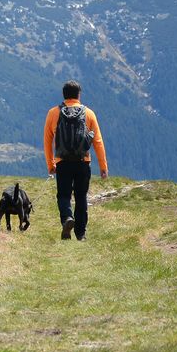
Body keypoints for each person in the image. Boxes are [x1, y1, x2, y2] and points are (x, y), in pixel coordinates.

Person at [43, 80, 108, 241]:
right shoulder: (89, 113)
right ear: (79, 95)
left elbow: (47, 141)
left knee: (63, 195)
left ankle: (67, 218)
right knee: (81, 197)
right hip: (83, 161)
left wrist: (51, 164)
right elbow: (98, 141)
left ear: (64, 95)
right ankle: (81, 233)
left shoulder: (53, 113)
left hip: (62, 162)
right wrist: (103, 166)